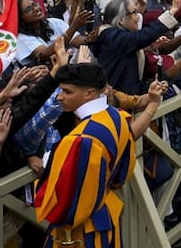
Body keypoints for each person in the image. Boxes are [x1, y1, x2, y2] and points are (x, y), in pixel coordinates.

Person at [34, 62, 137, 248]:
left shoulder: (81, 140)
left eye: (67, 91)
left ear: (89, 93)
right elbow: (122, 173)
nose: (60, 97)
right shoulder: (118, 116)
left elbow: (63, 208)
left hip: (81, 233)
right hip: (106, 216)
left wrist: (52, 166)